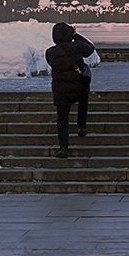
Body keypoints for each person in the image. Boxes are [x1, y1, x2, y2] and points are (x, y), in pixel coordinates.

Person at [45, 21, 96, 158]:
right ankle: (81, 126)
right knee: (83, 101)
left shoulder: (50, 53)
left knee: (62, 118)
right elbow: (90, 48)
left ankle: (63, 147)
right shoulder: (77, 47)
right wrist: (76, 35)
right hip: (78, 85)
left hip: (60, 88)